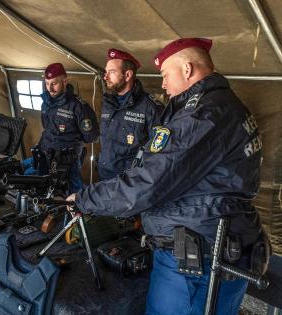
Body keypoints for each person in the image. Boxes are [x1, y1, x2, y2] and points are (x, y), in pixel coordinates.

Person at [67, 38, 267, 315]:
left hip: (197, 257)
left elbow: (149, 182)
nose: (162, 84)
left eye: (165, 75)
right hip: (214, 241)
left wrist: (85, 198)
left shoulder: (203, 114)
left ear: (187, 69)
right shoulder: (224, 105)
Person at [98, 48, 163, 180]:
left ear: (127, 75)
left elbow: (158, 154)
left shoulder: (151, 107)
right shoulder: (108, 103)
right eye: (106, 72)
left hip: (130, 183)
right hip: (104, 177)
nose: (105, 77)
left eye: (111, 72)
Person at [36, 62, 99, 192]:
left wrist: (71, 142)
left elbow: (91, 136)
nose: (50, 88)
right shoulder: (46, 103)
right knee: (42, 190)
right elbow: (46, 126)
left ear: (65, 81)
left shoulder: (78, 106)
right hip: (45, 152)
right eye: (47, 83)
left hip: (68, 159)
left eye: (54, 83)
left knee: (73, 193)